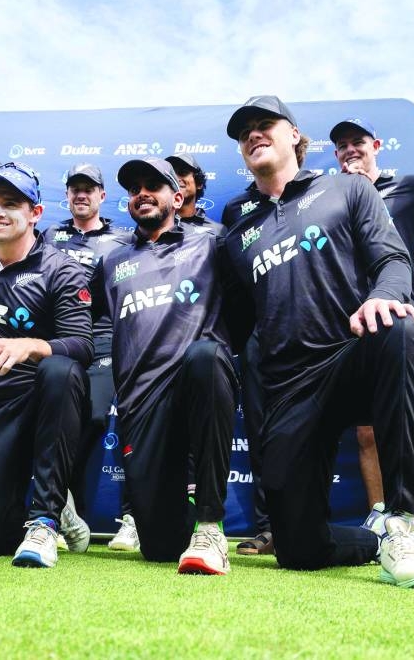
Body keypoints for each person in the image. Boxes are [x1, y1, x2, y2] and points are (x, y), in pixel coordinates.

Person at [221, 95, 414, 588]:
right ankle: (374, 541)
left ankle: (407, 526)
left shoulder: (345, 188)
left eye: (265, 125)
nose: (254, 135)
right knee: (298, 550)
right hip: (290, 390)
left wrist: (385, 296)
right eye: (244, 133)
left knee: (402, 326)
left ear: (294, 137)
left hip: (353, 355)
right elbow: (232, 324)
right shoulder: (237, 232)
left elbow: (393, 261)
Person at [91, 157, 236, 575]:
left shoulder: (212, 243)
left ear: (178, 196)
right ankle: (179, 525)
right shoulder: (112, 262)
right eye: (134, 187)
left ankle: (209, 525)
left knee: (207, 356)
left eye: (153, 185)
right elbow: (83, 318)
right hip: (141, 406)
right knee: (159, 547)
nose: (142, 193)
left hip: (195, 383)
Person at [0, 162, 94, 568]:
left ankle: (46, 519)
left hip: (44, 403)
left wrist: (29, 345)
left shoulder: (61, 269)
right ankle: (59, 500)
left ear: (35, 213)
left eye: (11, 203)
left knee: (61, 369)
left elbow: (82, 345)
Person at [329, 116, 414, 541]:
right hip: (352, 321)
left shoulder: (412, 187)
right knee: (365, 429)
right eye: (341, 145)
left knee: (406, 420)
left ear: (376, 144)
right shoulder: (335, 195)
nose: (350, 150)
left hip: (400, 321)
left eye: (357, 141)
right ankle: (382, 519)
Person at [41, 163, 138, 551]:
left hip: (103, 338)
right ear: (66, 195)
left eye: (89, 189)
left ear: (101, 195)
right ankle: (64, 516)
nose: (81, 195)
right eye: (74, 189)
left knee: (96, 418)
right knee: (65, 422)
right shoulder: (50, 234)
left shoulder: (122, 238)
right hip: (58, 338)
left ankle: (132, 519)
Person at [164, 152, 226, 237]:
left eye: (182, 172)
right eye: (171, 175)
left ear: (199, 183)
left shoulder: (218, 231)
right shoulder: (151, 230)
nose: (176, 179)